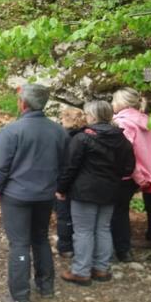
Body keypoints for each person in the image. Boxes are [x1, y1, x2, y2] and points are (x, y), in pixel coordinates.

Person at [0, 84, 68, 302]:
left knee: (20, 244)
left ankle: (20, 298)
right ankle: (46, 287)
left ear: (23, 104)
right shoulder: (59, 131)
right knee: (40, 238)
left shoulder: (12, 131)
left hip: (16, 196)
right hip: (44, 195)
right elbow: (65, 165)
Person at [56, 101, 135, 286]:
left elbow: (70, 167)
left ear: (92, 115)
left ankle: (81, 271)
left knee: (83, 231)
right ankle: (101, 268)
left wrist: (61, 189)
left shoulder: (83, 138)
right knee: (103, 228)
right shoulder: (122, 139)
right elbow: (129, 168)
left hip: (85, 191)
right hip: (110, 191)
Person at [110, 88, 151, 262]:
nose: (112, 104)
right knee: (121, 211)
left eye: (114, 100)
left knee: (116, 213)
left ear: (122, 103)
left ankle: (121, 250)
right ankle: (124, 248)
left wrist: (136, 174)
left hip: (125, 174)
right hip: (139, 174)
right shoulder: (146, 121)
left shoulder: (122, 123)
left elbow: (126, 153)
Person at [55, 107, 87, 259]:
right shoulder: (87, 136)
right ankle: (81, 246)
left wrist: (59, 186)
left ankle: (66, 246)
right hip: (83, 183)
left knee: (64, 216)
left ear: (66, 118)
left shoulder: (62, 137)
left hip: (64, 180)